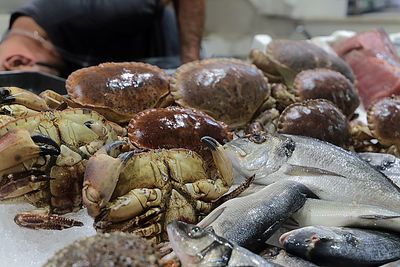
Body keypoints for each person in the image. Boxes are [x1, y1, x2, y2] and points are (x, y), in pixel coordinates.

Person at [0, 0, 205, 77]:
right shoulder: (9, 46)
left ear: (18, 61)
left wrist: (190, 66)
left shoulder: (95, 10)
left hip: (170, 59)